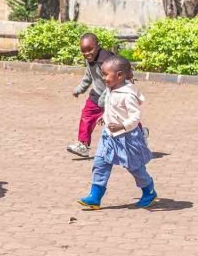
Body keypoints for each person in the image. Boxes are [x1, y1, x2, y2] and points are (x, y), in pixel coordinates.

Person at [78, 56, 157, 210]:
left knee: (134, 167)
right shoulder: (111, 88)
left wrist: (122, 125)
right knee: (100, 163)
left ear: (119, 75)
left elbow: (135, 116)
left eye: (106, 74)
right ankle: (95, 196)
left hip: (127, 138)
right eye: (102, 74)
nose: (103, 77)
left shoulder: (128, 94)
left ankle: (149, 190)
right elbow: (112, 106)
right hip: (108, 136)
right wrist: (105, 116)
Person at [66, 33, 114, 158]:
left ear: (97, 46)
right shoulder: (89, 60)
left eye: (90, 49)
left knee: (121, 118)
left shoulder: (105, 61)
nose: (87, 53)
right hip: (98, 93)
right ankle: (83, 144)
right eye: (83, 51)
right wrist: (79, 89)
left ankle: (140, 134)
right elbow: (88, 76)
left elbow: (111, 83)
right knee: (87, 115)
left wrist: (104, 101)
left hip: (114, 93)